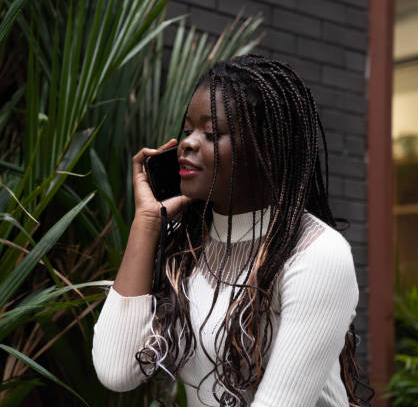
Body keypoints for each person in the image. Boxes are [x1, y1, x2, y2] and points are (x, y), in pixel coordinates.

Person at [92, 55, 372, 406]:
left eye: (211, 133)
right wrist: (147, 223)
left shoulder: (316, 254)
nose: (188, 143)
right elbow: (116, 370)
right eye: (188, 129)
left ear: (266, 148)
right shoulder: (188, 244)